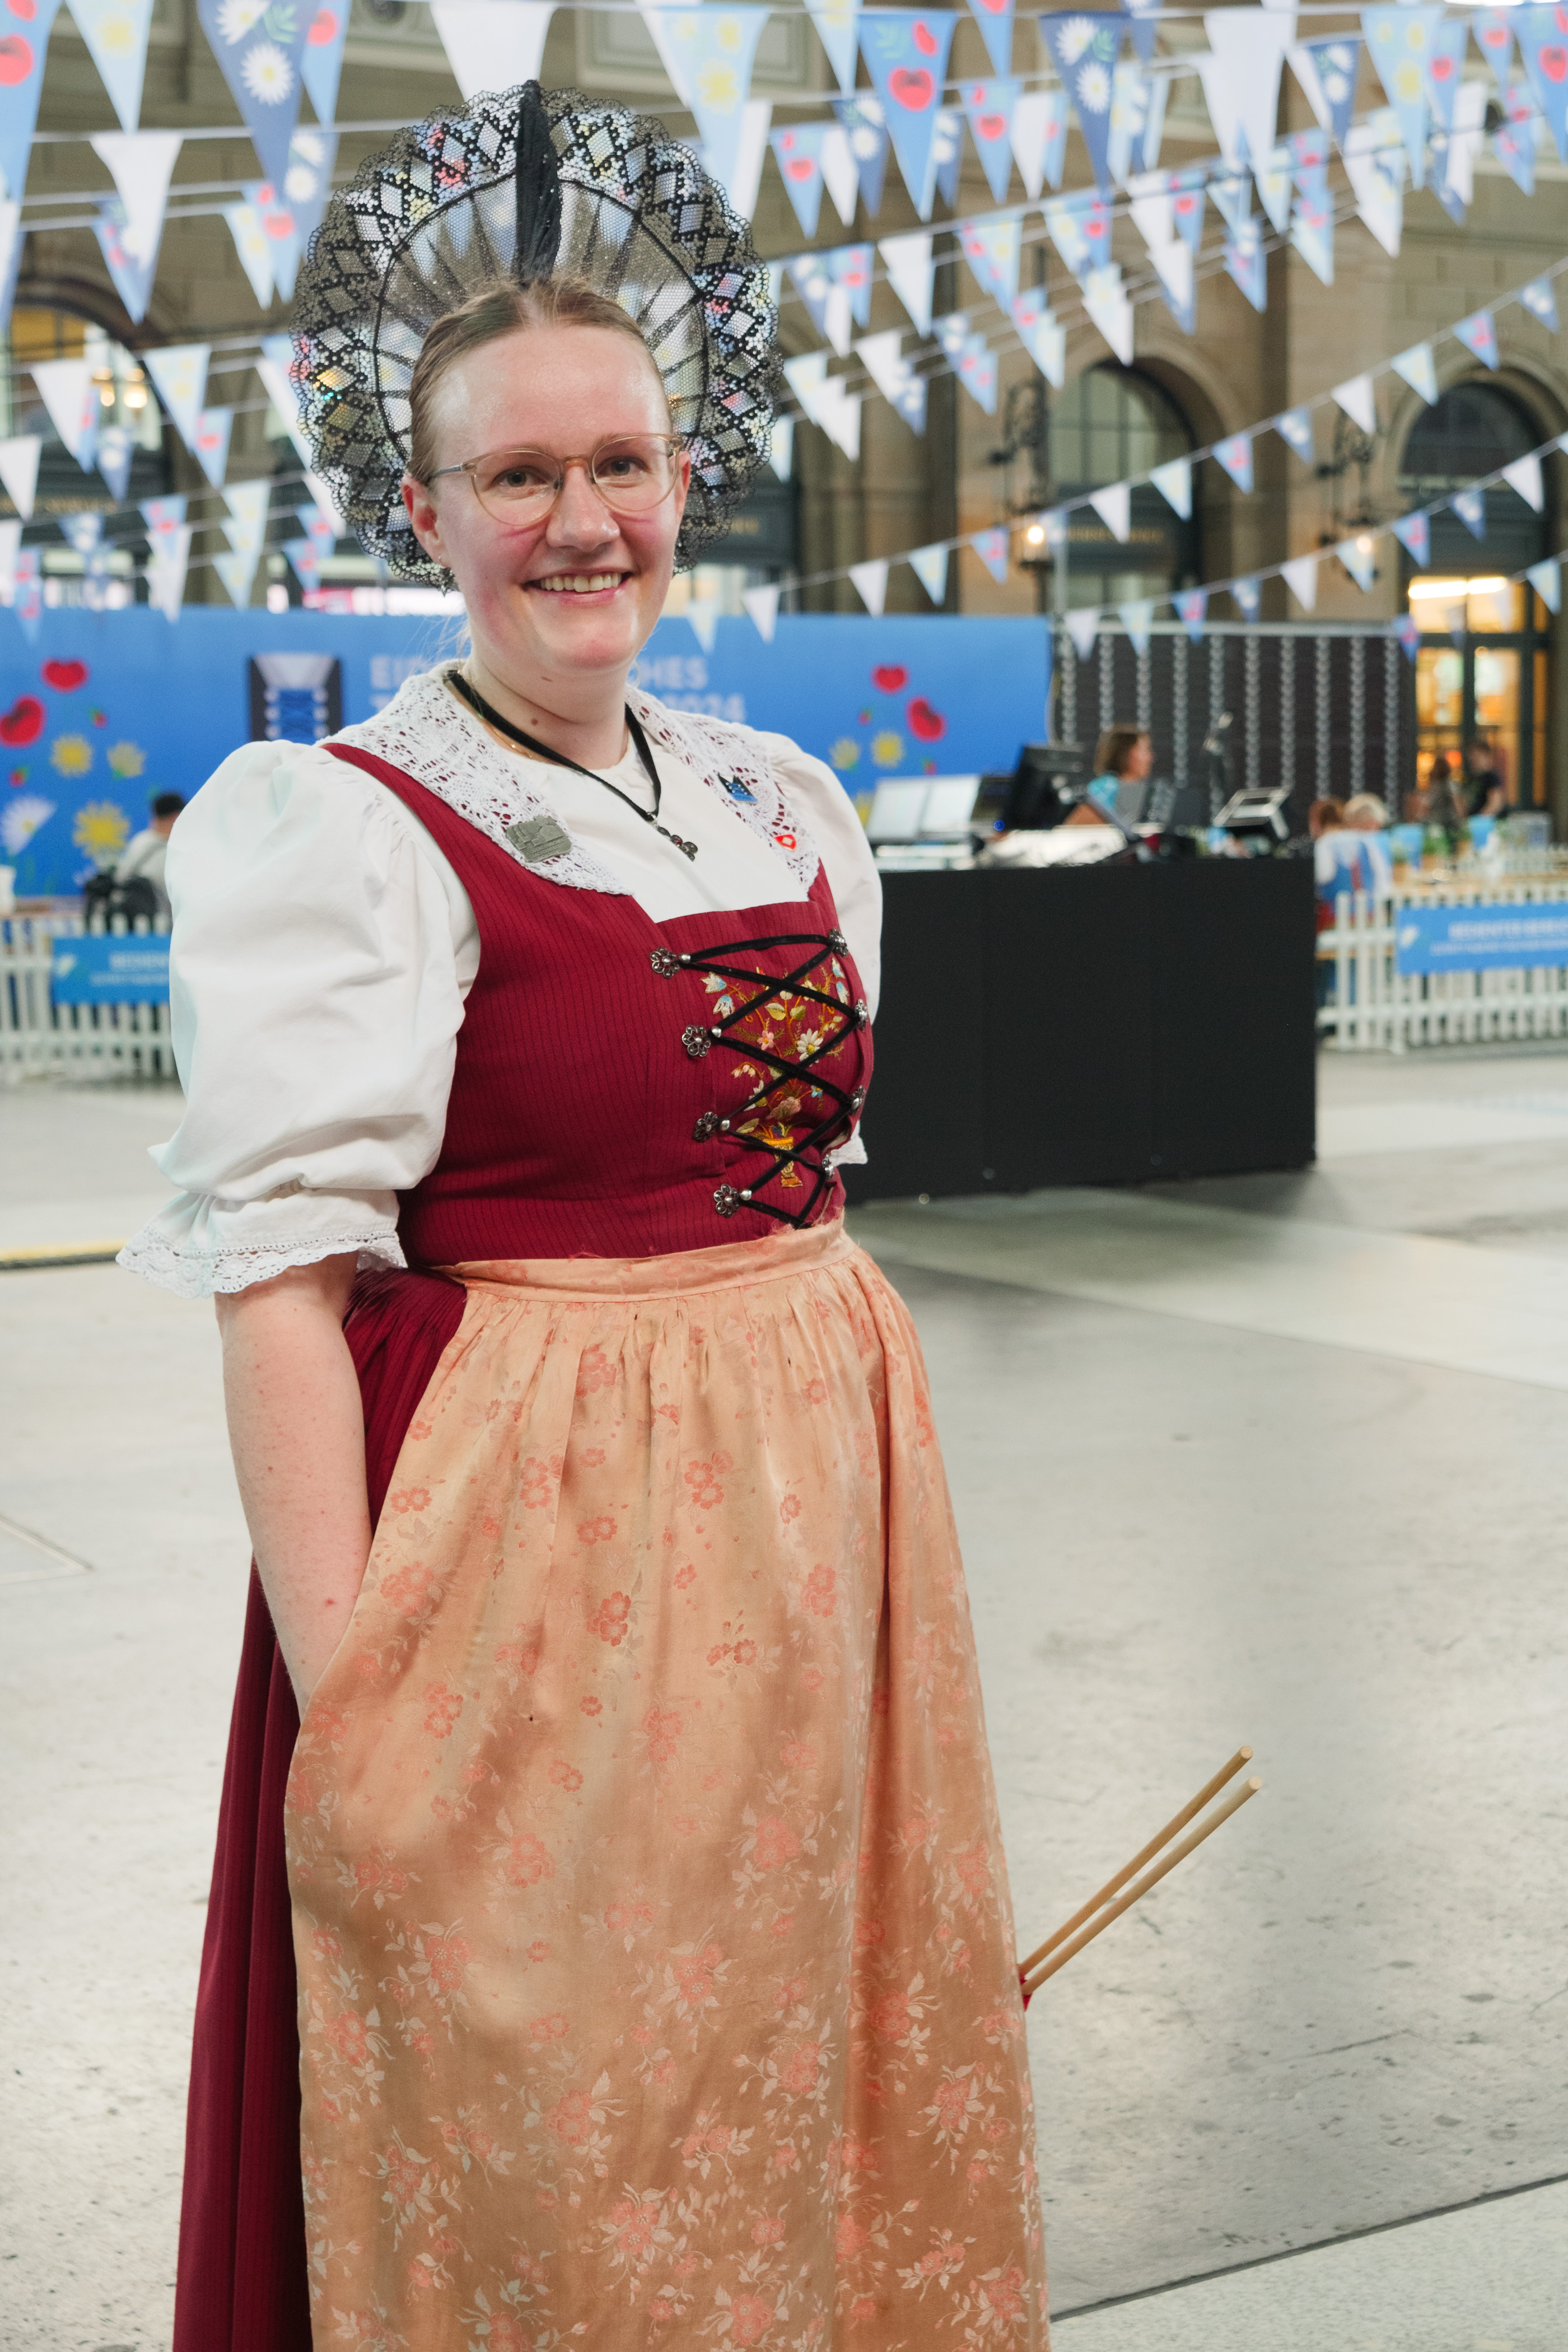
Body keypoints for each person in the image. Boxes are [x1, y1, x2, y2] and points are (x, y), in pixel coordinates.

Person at [120, 84, 1047, 2352]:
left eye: (617, 464)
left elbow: (806, 1185)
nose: (580, 520)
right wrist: (361, 1715)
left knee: (782, 2067)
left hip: (813, 1540)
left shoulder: (783, 799)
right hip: (521, 1555)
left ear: (680, 488)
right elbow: (280, 1288)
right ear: (429, 513)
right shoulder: (342, 827)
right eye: (518, 475)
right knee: (548, 2108)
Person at [111, 790, 185, 917]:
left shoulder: (139, 840)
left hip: (125, 920)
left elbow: (120, 876)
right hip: (158, 925)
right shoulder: (172, 850)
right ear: (176, 817)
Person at [1084, 722, 1153, 820]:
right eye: (1145, 750)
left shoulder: (1146, 794)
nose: (1150, 758)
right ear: (1126, 754)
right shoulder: (1103, 789)